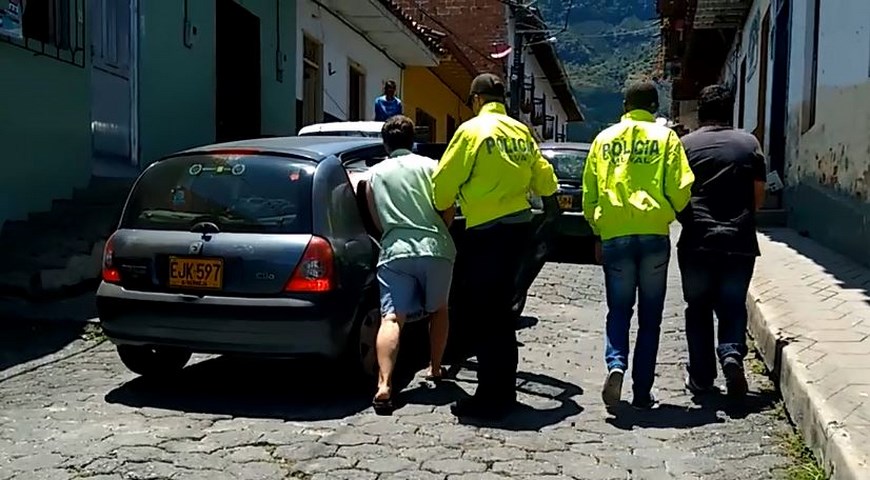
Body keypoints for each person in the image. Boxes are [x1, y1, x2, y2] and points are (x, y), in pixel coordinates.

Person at [432, 73, 558, 420]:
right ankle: (504, 391)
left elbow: (443, 183)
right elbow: (544, 176)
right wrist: (549, 210)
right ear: (502, 99)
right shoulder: (521, 132)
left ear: (476, 100)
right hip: (518, 231)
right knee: (503, 315)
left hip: (486, 231)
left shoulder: (472, 131)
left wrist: (445, 203)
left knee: (484, 316)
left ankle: (490, 396)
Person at [582, 80, 695, 410]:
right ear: (654, 107)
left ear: (625, 107)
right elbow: (681, 188)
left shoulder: (603, 140)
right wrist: (668, 210)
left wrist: (598, 230)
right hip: (653, 235)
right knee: (650, 317)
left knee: (618, 310)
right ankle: (642, 391)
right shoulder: (666, 138)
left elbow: (589, 195)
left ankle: (616, 364)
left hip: (615, 234)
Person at [677, 84, 767, 399]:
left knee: (698, 307)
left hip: (697, 239)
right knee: (731, 304)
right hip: (739, 240)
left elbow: (677, 194)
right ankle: (731, 354)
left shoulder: (685, 145)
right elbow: (758, 198)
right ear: (731, 110)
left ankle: (701, 378)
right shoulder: (749, 144)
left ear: (701, 111)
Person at [364, 115, 456, 414]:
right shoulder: (432, 167)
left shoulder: (374, 175)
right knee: (438, 310)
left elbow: (375, 218)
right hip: (436, 247)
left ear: (385, 143)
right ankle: (436, 367)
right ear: (413, 140)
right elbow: (447, 208)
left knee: (391, 318)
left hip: (395, 250)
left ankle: (385, 384)